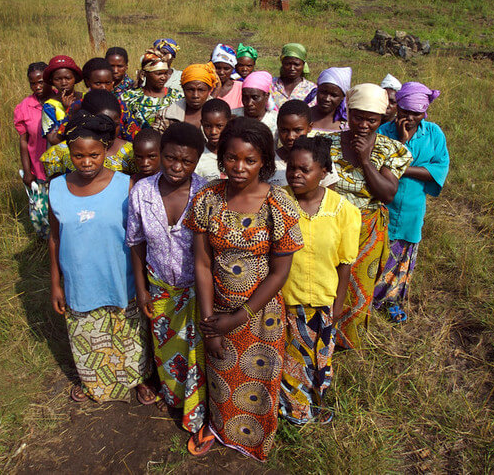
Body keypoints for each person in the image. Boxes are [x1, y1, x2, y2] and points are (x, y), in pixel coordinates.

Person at [184, 117, 303, 461]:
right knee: (220, 374)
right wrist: (211, 324)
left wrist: (240, 316)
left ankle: (255, 439)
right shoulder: (208, 198)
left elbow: (280, 273)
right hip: (216, 307)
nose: (239, 167)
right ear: (221, 158)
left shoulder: (278, 204)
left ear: (264, 162)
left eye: (250, 160)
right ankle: (218, 427)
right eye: (232, 158)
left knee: (258, 380)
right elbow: (203, 264)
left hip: (260, 315)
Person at [48, 112, 153, 404]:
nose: (86, 162)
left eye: (94, 154)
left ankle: (138, 380)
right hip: (80, 281)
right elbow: (54, 239)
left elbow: (137, 238)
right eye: (78, 155)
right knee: (86, 334)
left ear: (106, 150)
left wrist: (143, 281)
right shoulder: (56, 189)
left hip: (120, 277)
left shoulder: (125, 185)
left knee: (129, 335)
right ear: (69, 153)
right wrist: (56, 284)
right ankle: (93, 382)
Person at [126, 123, 208, 446]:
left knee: (196, 354)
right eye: (170, 158)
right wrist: (142, 288)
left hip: (197, 291)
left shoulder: (205, 193)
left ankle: (198, 411)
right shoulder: (142, 192)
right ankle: (173, 397)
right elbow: (136, 242)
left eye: (186, 162)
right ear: (160, 155)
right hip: (159, 287)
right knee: (166, 350)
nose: (177, 167)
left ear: (197, 161)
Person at [279, 136, 360, 425]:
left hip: (323, 303)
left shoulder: (344, 211)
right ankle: (295, 412)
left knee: (319, 358)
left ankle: (316, 401)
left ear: (324, 171)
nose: (295, 175)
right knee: (291, 360)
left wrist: (337, 305)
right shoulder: (278, 203)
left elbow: (345, 263)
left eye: (304, 169)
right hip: (285, 301)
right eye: (291, 168)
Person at [327, 84, 412, 350]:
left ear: (382, 118)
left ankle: (345, 341)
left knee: (359, 284)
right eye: (358, 117)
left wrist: (365, 159)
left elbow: (387, 193)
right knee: (326, 282)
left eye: (371, 119)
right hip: (330, 224)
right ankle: (320, 334)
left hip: (368, 229)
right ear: (348, 113)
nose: (363, 124)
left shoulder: (391, 149)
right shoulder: (326, 143)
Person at [375, 82, 449, 322]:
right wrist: (404, 145)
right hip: (383, 204)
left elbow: (438, 170)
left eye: (416, 114)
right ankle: (372, 299)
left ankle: (392, 300)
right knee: (380, 251)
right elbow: (376, 167)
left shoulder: (434, 134)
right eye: (404, 111)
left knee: (404, 253)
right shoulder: (383, 133)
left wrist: (401, 167)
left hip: (412, 208)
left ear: (424, 113)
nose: (409, 118)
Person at [14, 61, 50, 238]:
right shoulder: (24, 107)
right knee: (40, 213)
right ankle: (45, 246)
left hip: (60, 170)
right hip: (38, 168)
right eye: (33, 83)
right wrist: (27, 171)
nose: (37, 87)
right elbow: (23, 141)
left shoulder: (60, 101)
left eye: (41, 82)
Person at [268, 100, 339, 187]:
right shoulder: (269, 162)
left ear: (309, 127)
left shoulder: (320, 158)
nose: (290, 136)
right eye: (284, 130)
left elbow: (329, 196)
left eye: (297, 130)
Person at [121, 45, 183, 140]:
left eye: (166, 73)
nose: (163, 77)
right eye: (158, 74)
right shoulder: (129, 97)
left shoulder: (177, 97)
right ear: (144, 74)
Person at [152, 62, 220, 132]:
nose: (195, 95)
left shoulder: (220, 113)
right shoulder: (166, 115)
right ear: (183, 89)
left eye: (201, 90)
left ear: (209, 89)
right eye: (190, 90)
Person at [41, 55, 84, 147]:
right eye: (58, 79)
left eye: (68, 78)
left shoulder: (86, 98)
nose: (64, 83)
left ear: (75, 78)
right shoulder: (49, 106)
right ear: (52, 81)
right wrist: (69, 112)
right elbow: (53, 140)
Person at [304, 67, 351, 133]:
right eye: (323, 92)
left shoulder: (347, 124)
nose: (326, 99)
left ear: (342, 97)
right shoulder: (303, 116)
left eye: (333, 95)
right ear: (317, 91)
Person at [270, 43, 316, 110]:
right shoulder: (271, 84)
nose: (292, 68)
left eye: (296, 64)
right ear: (282, 63)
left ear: (303, 65)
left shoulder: (311, 89)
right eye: (288, 64)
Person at [233, 71, 278, 136]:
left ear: (266, 96)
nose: (249, 103)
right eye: (245, 97)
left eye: (255, 97)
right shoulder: (233, 116)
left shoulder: (276, 120)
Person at [195, 99, 231, 181]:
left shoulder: (238, 153)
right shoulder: (199, 158)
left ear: (229, 123)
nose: (213, 132)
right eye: (207, 126)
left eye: (219, 126)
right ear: (202, 124)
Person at [210, 44, 243, 109]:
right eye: (217, 68)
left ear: (232, 69)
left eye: (226, 69)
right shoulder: (205, 87)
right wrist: (216, 89)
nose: (221, 72)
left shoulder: (240, 88)